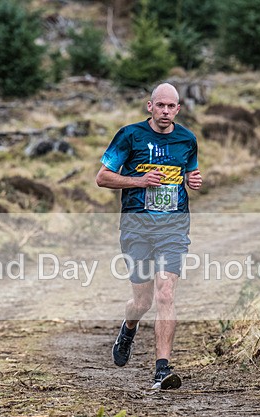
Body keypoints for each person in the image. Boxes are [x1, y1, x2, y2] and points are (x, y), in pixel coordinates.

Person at [95, 82, 203, 390]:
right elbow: (102, 178)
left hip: (173, 227)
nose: (166, 111)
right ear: (150, 106)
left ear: (178, 109)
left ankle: (162, 369)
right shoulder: (130, 135)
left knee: (165, 294)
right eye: (161, 106)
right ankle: (129, 327)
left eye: (171, 106)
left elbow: (189, 173)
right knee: (141, 301)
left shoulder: (187, 139)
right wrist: (139, 181)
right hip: (137, 227)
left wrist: (193, 181)